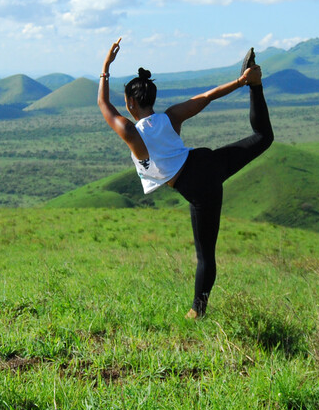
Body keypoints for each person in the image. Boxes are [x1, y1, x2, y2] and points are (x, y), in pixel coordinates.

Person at [97, 38, 273, 319]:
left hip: (198, 186)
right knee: (263, 138)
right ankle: (256, 83)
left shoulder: (132, 133)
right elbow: (207, 97)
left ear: (130, 102)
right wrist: (242, 81)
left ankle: (197, 312)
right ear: (151, 99)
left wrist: (106, 66)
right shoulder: (170, 117)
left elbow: (103, 104)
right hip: (208, 163)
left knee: (205, 255)